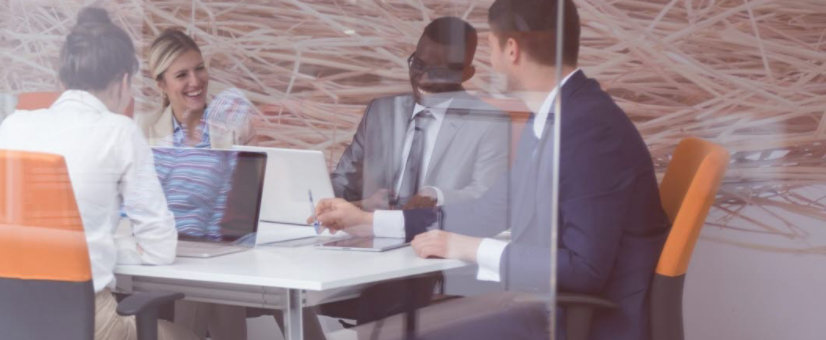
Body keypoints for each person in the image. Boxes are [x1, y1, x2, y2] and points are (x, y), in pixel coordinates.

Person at [312, 0, 670, 339]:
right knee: (375, 331)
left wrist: (466, 247)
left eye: (493, 46)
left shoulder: (589, 129)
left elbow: (584, 270)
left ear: (511, 49)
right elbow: (492, 209)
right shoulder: (557, 115)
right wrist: (367, 221)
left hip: (574, 321)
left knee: (369, 335)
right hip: (541, 305)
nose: (493, 59)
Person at [0, 7, 197, 340]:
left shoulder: (13, 126)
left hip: (7, 318)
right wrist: (109, 244)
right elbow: (160, 250)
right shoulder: (119, 131)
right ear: (125, 81)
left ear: (62, 80)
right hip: (85, 321)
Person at [333, 17, 509, 211]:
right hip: (369, 231)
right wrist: (319, 200)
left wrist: (437, 197)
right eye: (418, 64)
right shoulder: (381, 112)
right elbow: (344, 182)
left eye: (437, 72)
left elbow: (485, 194)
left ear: (466, 74)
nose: (422, 79)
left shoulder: (489, 122)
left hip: (437, 235)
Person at [140, 28, 258, 149]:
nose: (195, 82)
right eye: (181, 75)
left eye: (199, 68)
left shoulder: (239, 127)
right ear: (162, 85)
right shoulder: (141, 130)